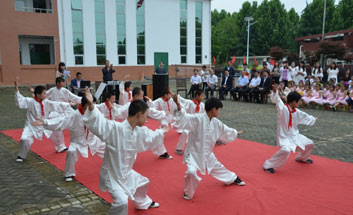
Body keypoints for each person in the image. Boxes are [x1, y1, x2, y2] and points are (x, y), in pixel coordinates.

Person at [83, 87, 168, 214]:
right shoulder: (115, 129)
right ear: (138, 115)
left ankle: (142, 202)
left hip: (126, 172)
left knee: (143, 182)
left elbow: (150, 137)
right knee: (122, 202)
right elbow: (99, 122)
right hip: (112, 175)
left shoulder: (138, 131)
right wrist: (91, 106)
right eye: (145, 116)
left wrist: (162, 131)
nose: (146, 120)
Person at [172, 95, 245, 200]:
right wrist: (178, 104)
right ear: (213, 109)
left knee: (217, 167)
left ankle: (232, 178)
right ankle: (188, 192)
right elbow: (184, 118)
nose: (219, 112)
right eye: (219, 110)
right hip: (194, 154)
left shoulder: (216, 122)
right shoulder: (197, 118)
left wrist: (235, 132)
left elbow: (225, 130)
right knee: (191, 172)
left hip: (207, 153)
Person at [32, 96, 105, 182]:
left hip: (92, 139)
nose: (93, 106)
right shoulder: (75, 115)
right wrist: (45, 122)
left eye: (94, 104)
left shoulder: (94, 112)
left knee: (109, 149)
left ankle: (117, 164)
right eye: (92, 104)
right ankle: (69, 174)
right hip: (78, 141)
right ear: (85, 105)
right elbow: (61, 121)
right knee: (71, 152)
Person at [14, 81, 73, 162]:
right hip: (32, 125)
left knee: (57, 130)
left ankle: (60, 147)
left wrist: (68, 104)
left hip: (45, 123)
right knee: (24, 139)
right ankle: (21, 156)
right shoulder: (30, 101)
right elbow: (20, 101)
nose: (46, 95)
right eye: (44, 93)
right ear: (38, 95)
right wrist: (16, 88)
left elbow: (56, 104)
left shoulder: (46, 102)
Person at [263, 86, 317, 173]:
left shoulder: (297, 111)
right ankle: (268, 165)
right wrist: (275, 92)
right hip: (284, 136)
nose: (300, 103)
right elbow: (277, 100)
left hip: (294, 135)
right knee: (286, 150)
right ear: (294, 101)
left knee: (309, 144)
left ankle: (302, 157)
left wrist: (313, 118)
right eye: (299, 101)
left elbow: (305, 116)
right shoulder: (283, 109)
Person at [118, 87, 173, 159]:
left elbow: (152, 111)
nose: (142, 98)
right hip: (127, 130)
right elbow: (118, 112)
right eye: (141, 96)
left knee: (154, 136)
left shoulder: (142, 105)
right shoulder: (127, 106)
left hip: (138, 129)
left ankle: (162, 152)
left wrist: (163, 113)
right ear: (136, 96)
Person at [46, 77, 82, 153]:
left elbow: (73, 97)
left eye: (63, 82)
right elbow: (44, 96)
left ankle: (80, 139)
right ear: (57, 83)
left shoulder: (65, 90)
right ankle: (60, 146)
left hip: (66, 109)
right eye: (60, 82)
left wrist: (83, 99)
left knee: (77, 118)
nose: (62, 84)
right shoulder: (52, 91)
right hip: (56, 111)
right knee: (57, 129)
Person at [175, 89, 205, 155]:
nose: (203, 98)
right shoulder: (190, 103)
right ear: (197, 96)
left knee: (200, 135)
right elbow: (181, 100)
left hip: (198, 123)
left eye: (203, 96)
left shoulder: (202, 105)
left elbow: (204, 114)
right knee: (185, 132)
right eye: (202, 96)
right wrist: (175, 97)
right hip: (190, 122)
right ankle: (179, 148)